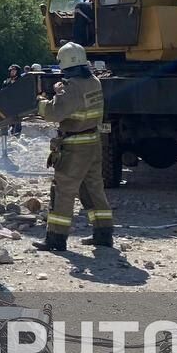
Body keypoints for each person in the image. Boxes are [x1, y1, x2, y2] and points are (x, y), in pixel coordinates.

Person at [33, 42, 112, 251]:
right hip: (93, 142)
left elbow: (54, 113)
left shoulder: (71, 87)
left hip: (75, 147)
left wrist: (42, 101)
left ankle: (56, 239)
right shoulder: (94, 81)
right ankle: (104, 234)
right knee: (93, 188)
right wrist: (61, 92)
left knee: (63, 191)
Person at [4, 64, 23, 135]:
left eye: (14, 71)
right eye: (11, 70)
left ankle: (16, 134)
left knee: (17, 120)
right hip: (8, 104)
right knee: (8, 120)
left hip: (17, 104)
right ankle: (8, 134)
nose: (12, 72)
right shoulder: (7, 81)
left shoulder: (21, 80)